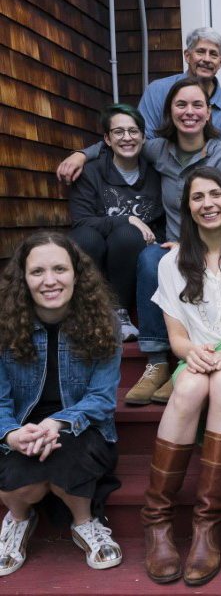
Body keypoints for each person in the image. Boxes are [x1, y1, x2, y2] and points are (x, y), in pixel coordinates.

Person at [58, 78, 221, 406]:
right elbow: (118, 141)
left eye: (197, 105)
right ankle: (156, 362)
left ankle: (186, 364)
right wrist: (80, 155)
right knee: (150, 259)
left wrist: (195, 244)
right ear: (169, 111)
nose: (189, 112)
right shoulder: (158, 149)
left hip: (212, 242)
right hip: (172, 242)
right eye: (180, 105)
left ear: (208, 113)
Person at [140, 167, 221, 586]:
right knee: (196, 382)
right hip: (195, 361)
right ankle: (157, 520)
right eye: (198, 198)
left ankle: (207, 522)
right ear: (188, 208)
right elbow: (176, 337)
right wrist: (192, 354)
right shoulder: (170, 263)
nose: (208, 204)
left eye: (216, 195)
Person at [0, 232, 122, 575]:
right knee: (21, 472)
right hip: (19, 425)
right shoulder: (3, 327)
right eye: (37, 271)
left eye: (59, 269)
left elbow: (101, 399)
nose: (49, 281)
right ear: (23, 278)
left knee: (68, 456)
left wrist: (56, 423)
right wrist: (11, 434)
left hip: (81, 424)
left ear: (76, 274)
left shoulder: (103, 323)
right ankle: (18, 519)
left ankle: (85, 522)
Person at [69, 103, 165, 342]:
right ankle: (88, 312)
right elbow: (81, 220)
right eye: (118, 132)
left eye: (133, 131)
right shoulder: (91, 172)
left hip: (130, 257)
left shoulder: (156, 175)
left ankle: (120, 314)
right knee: (85, 237)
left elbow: (161, 222)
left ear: (143, 137)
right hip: (95, 252)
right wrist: (128, 218)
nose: (127, 138)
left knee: (128, 235)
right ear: (107, 139)